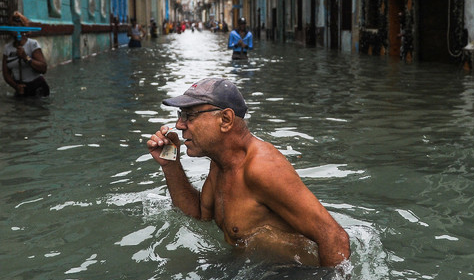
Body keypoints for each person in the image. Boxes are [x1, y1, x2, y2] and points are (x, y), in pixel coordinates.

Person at [145, 77, 350, 268]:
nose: (180, 125)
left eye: (189, 115)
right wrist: (170, 164)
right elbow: (199, 214)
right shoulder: (220, 163)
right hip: (253, 270)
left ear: (225, 119)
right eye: (180, 115)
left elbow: (334, 237)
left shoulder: (262, 168)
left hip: (292, 278)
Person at [2, 12, 50, 97]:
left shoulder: (32, 44)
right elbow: (6, 74)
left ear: (24, 28)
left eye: (18, 25)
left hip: (38, 88)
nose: (15, 28)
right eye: (12, 25)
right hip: (20, 89)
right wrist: (16, 86)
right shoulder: (7, 48)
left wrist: (26, 58)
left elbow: (43, 68)